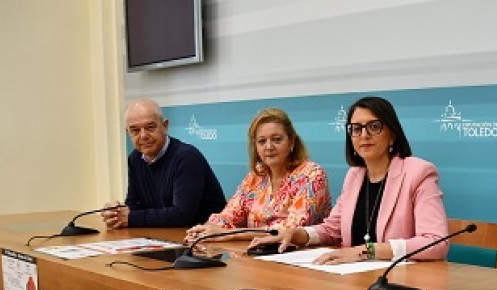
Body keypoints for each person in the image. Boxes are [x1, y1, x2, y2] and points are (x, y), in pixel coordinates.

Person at [250, 96, 449, 264]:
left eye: (374, 126)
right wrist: (296, 234)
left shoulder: (419, 173)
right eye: (356, 128)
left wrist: (366, 251)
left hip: (402, 282)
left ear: (392, 135)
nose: (364, 135)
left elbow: (436, 242)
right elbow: (332, 230)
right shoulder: (355, 175)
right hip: (354, 279)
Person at [184, 108, 331, 245]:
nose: (269, 147)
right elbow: (228, 215)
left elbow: (289, 230)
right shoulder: (256, 176)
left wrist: (228, 234)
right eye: (262, 141)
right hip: (259, 255)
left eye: (277, 139)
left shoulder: (312, 174)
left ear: (292, 142)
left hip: (301, 259)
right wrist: (207, 230)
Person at [102, 98, 226, 229]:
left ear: (165, 126)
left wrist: (131, 217)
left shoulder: (186, 157)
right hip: (165, 238)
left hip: (204, 241)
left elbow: (182, 215)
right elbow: (135, 204)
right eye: (135, 130)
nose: (143, 135)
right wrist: (117, 214)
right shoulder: (135, 158)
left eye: (150, 127)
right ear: (128, 133)